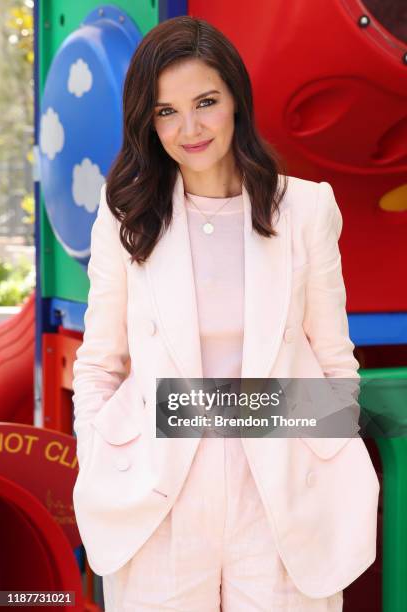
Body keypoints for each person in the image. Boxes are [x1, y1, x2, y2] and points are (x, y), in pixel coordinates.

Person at [71, 15, 380, 612]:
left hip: (281, 486)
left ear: (236, 97)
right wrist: (103, 454)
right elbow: (99, 365)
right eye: (165, 111)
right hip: (157, 487)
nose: (189, 128)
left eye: (206, 102)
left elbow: (336, 365)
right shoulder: (126, 219)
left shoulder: (306, 211)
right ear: (146, 120)